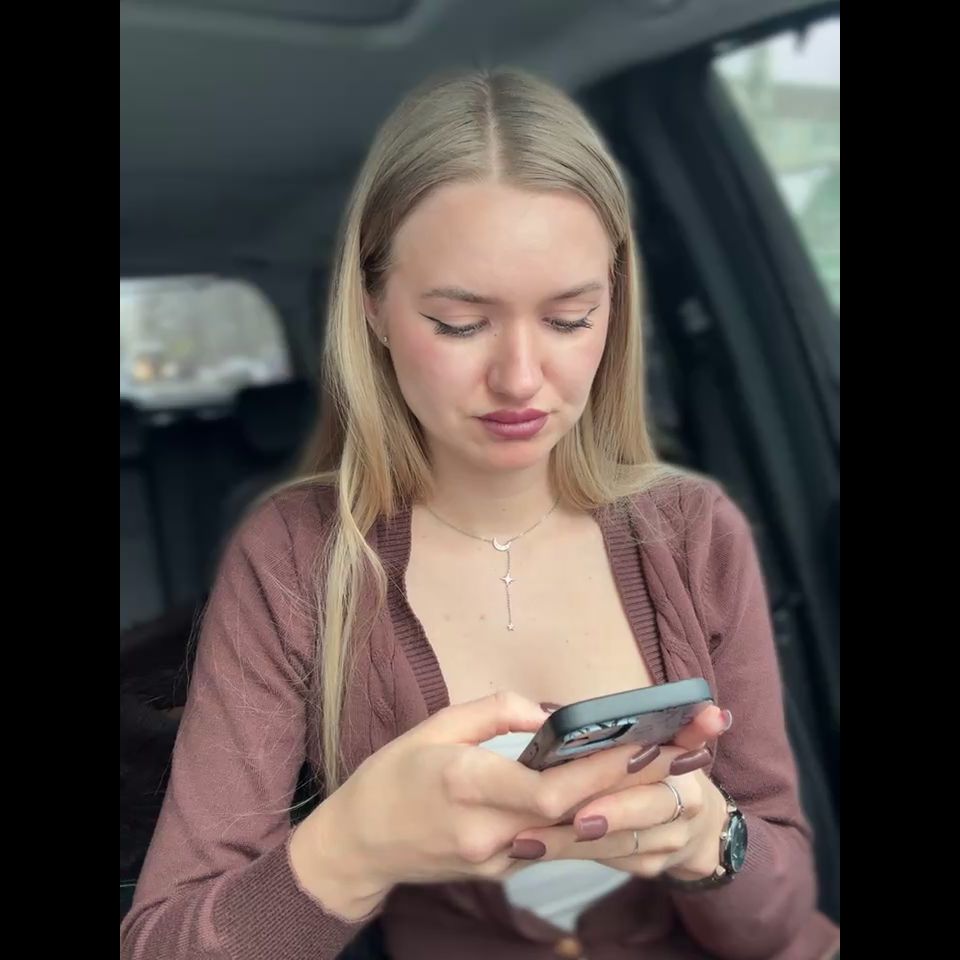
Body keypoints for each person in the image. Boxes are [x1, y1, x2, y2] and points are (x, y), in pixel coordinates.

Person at [120, 68, 840, 960]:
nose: (520, 379)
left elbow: (780, 920)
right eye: (460, 324)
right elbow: (165, 942)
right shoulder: (299, 556)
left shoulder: (692, 530)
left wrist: (710, 842)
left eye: (571, 318)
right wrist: (353, 846)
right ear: (374, 310)